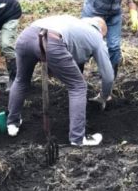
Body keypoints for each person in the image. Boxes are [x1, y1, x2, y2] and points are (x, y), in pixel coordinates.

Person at [7, 15, 113, 146]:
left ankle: (12, 124)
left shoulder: (74, 23)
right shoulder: (96, 37)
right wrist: (104, 96)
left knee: (21, 80)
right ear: (102, 32)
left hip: (26, 36)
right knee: (78, 86)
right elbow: (108, 76)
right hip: (51, 40)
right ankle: (78, 138)